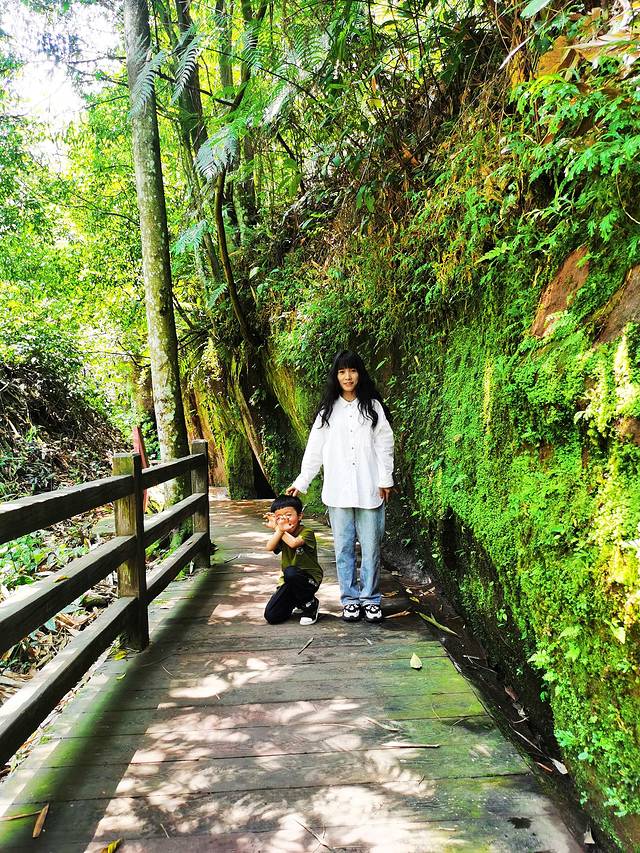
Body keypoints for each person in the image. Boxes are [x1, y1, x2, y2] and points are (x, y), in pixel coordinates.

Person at [286, 350, 394, 624]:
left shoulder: (373, 407)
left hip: (370, 488)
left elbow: (385, 443)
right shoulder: (328, 411)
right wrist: (302, 481)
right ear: (336, 376)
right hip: (338, 491)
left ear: (360, 374)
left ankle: (370, 599)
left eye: (352, 370)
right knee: (343, 549)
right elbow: (315, 450)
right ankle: (350, 600)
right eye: (342, 371)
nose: (348, 377)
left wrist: (385, 479)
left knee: (371, 548)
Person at [263, 494, 323, 626]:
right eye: (279, 517)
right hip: (289, 581)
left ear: (300, 516)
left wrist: (279, 528)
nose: (284, 519)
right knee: (271, 615)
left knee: (291, 572)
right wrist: (279, 530)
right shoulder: (281, 533)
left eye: (288, 515)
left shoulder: (307, 532)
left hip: (309, 580)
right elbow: (269, 547)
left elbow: (294, 543)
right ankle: (299, 601)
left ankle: (310, 604)